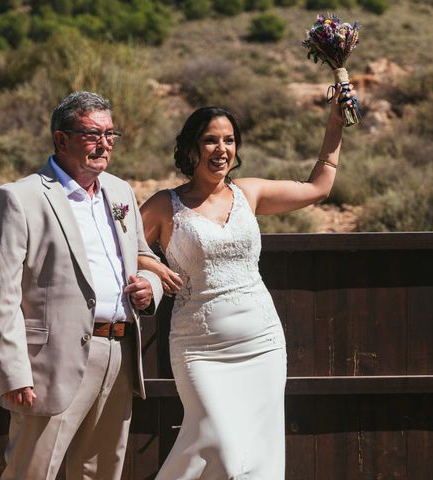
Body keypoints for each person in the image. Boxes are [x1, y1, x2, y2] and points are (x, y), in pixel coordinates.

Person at [139, 85, 355, 479]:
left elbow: (318, 187)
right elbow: (118, 247)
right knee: (216, 444)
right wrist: (148, 263)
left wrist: (335, 123)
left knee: (258, 456)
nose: (221, 149)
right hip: (198, 347)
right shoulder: (163, 204)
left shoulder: (248, 193)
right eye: (210, 140)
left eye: (229, 140)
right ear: (190, 148)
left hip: (261, 343)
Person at [0, 90, 163, 480]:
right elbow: (0, 294)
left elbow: (146, 259)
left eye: (111, 134)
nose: (105, 144)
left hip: (120, 353)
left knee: (100, 473)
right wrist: (13, 372)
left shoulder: (121, 192)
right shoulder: (18, 198)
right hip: (49, 363)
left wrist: (150, 288)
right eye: (93, 134)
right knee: (32, 473)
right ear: (61, 139)